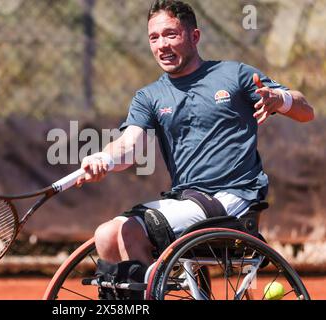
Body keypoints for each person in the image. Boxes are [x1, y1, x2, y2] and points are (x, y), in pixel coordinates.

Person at [76, 0, 315, 299]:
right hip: (187, 200)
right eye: (154, 37)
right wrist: (103, 159)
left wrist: (280, 100)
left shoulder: (235, 75)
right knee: (106, 235)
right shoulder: (149, 96)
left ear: (194, 37)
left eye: (170, 35)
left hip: (234, 198)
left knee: (130, 230)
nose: (161, 45)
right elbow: (128, 145)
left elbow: (307, 111)